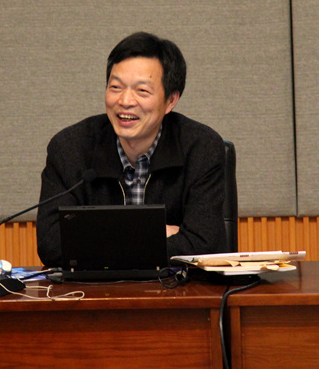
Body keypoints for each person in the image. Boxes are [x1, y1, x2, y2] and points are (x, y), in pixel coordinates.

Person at [37, 31, 228, 267]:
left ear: (170, 100)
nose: (125, 101)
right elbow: (52, 244)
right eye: (116, 87)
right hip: (92, 289)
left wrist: (95, 238)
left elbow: (204, 246)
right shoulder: (70, 148)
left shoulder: (201, 148)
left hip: (177, 288)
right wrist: (156, 232)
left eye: (142, 91)